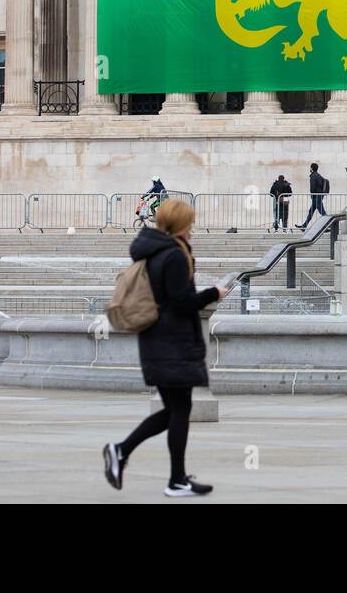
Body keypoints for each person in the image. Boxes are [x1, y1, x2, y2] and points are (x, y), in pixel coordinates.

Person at [103, 199, 231, 498]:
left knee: (176, 409)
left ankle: (132, 456)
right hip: (171, 342)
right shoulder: (173, 255)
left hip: (159, 340)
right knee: (179, 409)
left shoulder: (157, 252)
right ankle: (169, 476)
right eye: (190, 222)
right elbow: (180, 302)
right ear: (181, 224)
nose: (193, 228)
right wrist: (215, 293)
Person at [297, 163, 330, 231]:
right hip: (319, 196)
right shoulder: (318, 175)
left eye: (310, 167)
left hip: (316, 196)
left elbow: (313, 187)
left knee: (322, 212)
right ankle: (304, 226)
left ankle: (328, 225)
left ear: (311, 168)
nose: (310, 169)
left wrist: (312, 195)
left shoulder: (313, 176)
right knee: (311, 211)